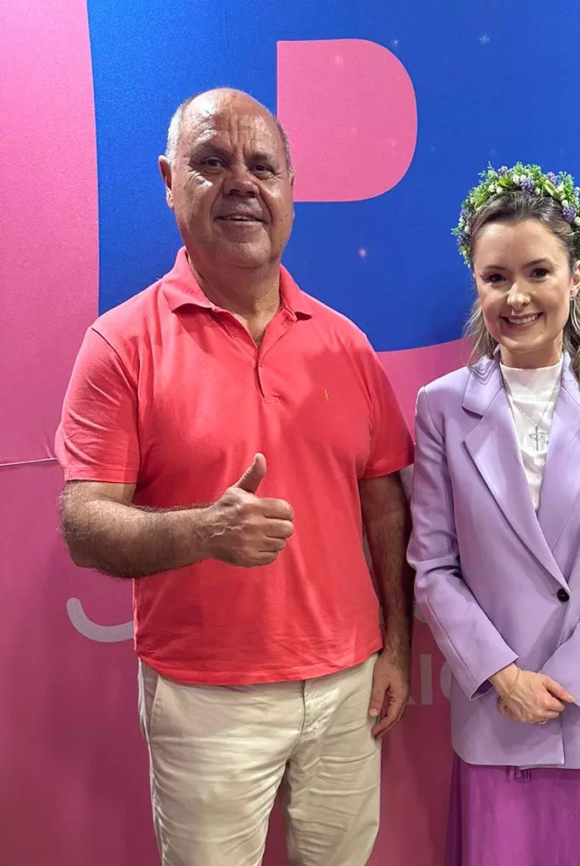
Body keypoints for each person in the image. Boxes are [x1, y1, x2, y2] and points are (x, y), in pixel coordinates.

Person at [55, 88, 415, 866]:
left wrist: (395, 646)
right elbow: (83, 524)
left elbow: (384, 502)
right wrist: (203, 531)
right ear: (169, 180)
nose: (241, 183)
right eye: (212, 162)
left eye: (262, 166)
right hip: (206, 699)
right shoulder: (120, 345)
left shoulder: (347, 345)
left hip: (349, 687)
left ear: (290, 190)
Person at [408, 163, 580, 866]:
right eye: (496, 278)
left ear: (575, 276)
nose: (516, 297)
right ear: (476, 284)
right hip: (494, 711)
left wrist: (568, 679)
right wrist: (504, 677)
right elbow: (433, 565)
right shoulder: (441, 406)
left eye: (538, 272)